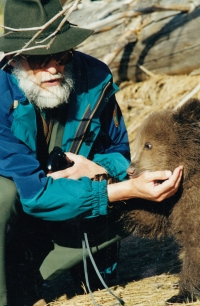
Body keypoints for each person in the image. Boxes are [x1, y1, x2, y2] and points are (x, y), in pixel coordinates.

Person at [0, 0, 183, 305]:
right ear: (15, 58)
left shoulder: (95, 77)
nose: (53, 67)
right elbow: (33, 196)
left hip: (73, 200)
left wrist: (99, 168)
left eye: (61, 54)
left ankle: (62, 273)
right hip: (21, 211)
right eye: (38, 59)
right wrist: (121, 190)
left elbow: (119, 151)